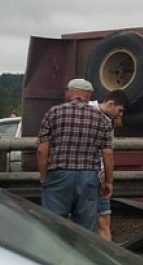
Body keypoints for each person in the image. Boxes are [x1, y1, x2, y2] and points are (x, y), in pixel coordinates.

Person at [37, 79, 114, 232]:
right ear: (88, 95)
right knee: (85, 231)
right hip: (89, 176)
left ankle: (52, 255)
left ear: (70, 92)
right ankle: (81, 255)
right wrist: (109, 181)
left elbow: (42, 150)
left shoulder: (54, 113)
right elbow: (108, 153)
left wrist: (43, 176)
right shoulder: (101, 119)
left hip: (59, 174)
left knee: (52, 227)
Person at [88, 90, 129, 241]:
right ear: (111, 104)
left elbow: (107, 149)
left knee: (104, 218)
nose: (120, 115)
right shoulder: (87, 110)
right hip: (88, 172)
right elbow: (108, 152)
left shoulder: (109, 122)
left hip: (99, 173)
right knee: (84, 218)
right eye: (120, 110)